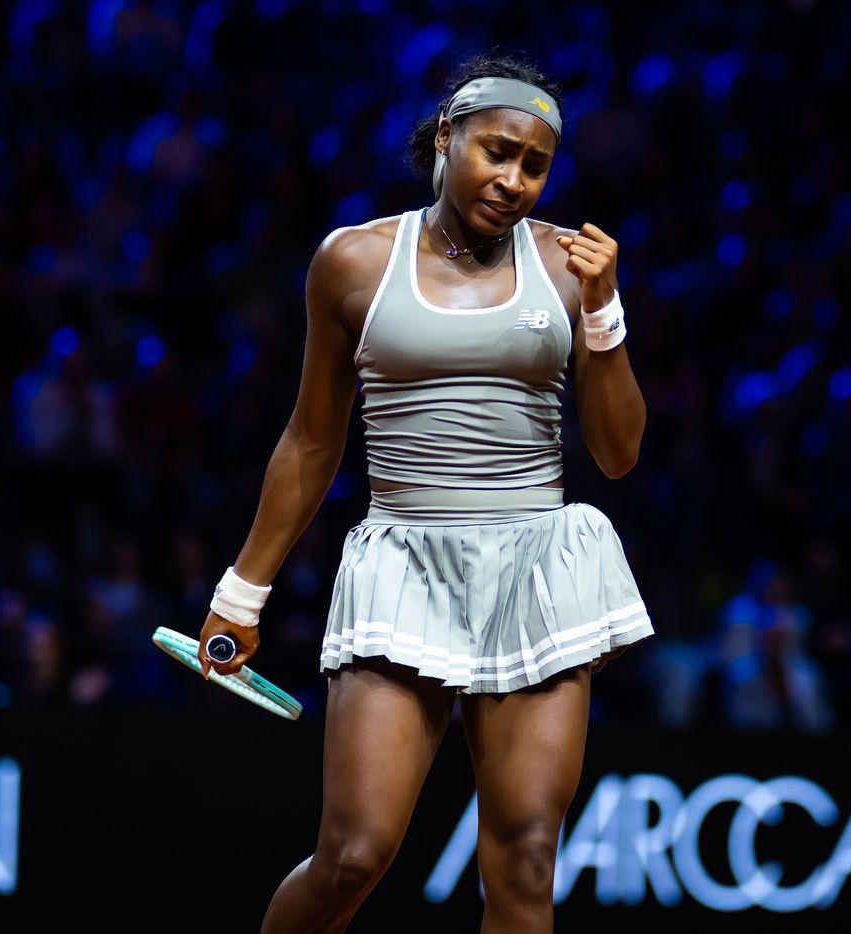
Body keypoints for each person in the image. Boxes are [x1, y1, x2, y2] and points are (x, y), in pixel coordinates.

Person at [198, 53, 654, 932]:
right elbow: (312, 439)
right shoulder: (354, 262)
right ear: (447, 138)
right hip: (406, 565)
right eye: (497, 152)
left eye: (535, 164)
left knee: (523, 859)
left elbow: (619, 452)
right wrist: (240, 594)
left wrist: (604, 311)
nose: (514, 179)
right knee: (355, 854)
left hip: (537, 571)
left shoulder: (568, 267)